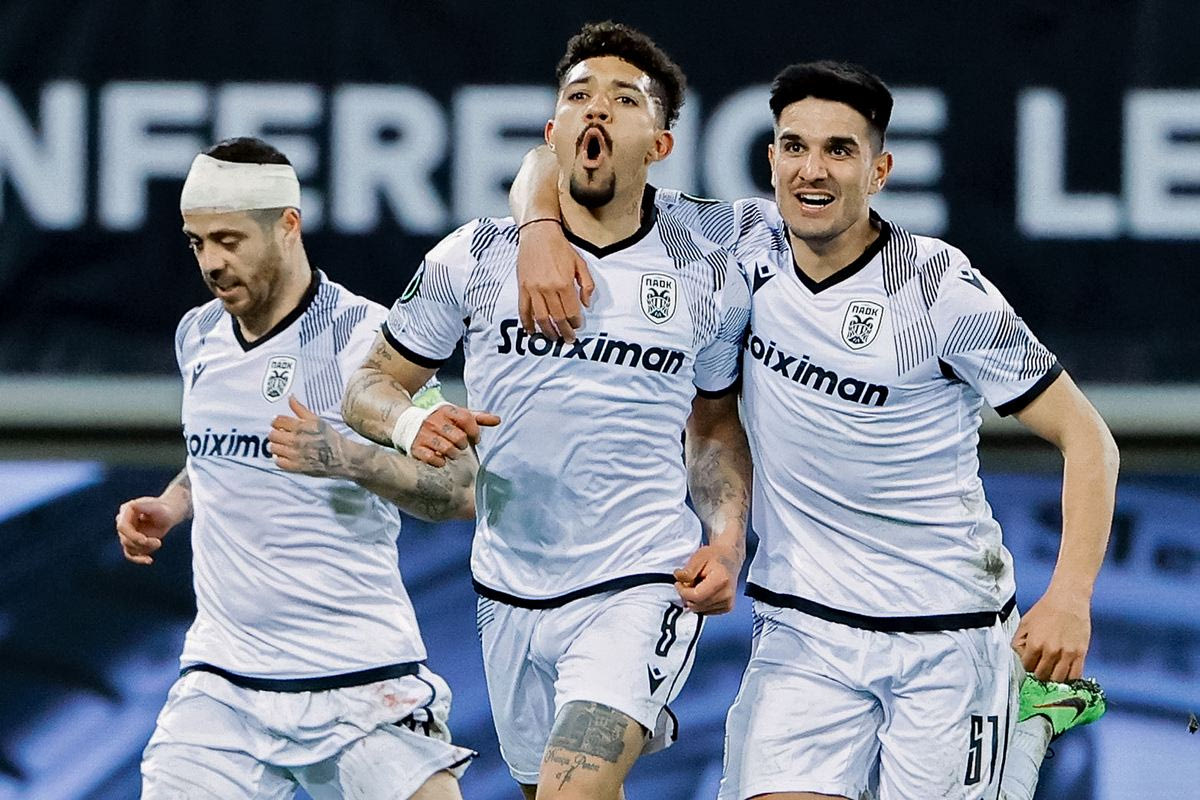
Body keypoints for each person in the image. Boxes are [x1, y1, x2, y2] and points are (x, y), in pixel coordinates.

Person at [512, 61, 1117, 800]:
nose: (813, 170)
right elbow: (557, 160)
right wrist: (538, 228)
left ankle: (1029, 724)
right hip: (802, 632)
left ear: (879, 171)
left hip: (945, 631)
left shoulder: (939, 290)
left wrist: (1070, 597)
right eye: (795, 147)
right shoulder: (740, 242)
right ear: (771, 159)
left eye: (839, 150)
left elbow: (1089, 439)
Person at [340, 22, 753, 800]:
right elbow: (368, 384)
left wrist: (727, 539)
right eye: (578, 96)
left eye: (624, 100)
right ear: (552, 130)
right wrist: (409, 422)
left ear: (660, 144)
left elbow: (713, 421)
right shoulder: (474, 255)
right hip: (509, 588)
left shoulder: (708, 262)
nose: (596, 109)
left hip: (640, 580)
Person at [115, 137, 476, 800]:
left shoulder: (369, 341)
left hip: (358, 682)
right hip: (224, 687)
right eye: (197, 243)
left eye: (229, 240)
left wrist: (347, 457)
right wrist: (173, 503)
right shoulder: (198, 335)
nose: (212, 263)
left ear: (287, 225)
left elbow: (462, 489)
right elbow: (218, 451)